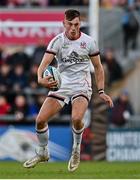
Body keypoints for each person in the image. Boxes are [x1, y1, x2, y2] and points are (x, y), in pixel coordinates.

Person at [23, 9, 113, 172]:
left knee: (77, 118)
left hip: (82, 85)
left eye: (76, 24)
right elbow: (42, 66)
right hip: (62, 84)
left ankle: (76, 150)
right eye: (70, 24)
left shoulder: (89, 42)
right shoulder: (57, 42)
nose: (73, 27)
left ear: (80, 24)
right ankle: (43, 152)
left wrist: (101, 91)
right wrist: (40, 78)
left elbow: (99, 68)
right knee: (40, 120)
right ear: (64, 23)